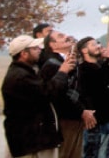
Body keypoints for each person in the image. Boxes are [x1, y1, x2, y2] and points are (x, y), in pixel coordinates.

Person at [2, 34, 75, 158]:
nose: (39, 50)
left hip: (35, 139)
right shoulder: (20, 76)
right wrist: (62, 72)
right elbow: (48, 92)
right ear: (24, 53)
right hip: (31, 141)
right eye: (35, 48)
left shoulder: (25, 72)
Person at [40, 30, 94, 158]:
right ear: (52, 45)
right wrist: (82, 111)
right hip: (64, 119)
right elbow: (60, 94)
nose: (67, 37)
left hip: (75, 118)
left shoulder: (70, 61)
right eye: (61, 36)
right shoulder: (52, 64)